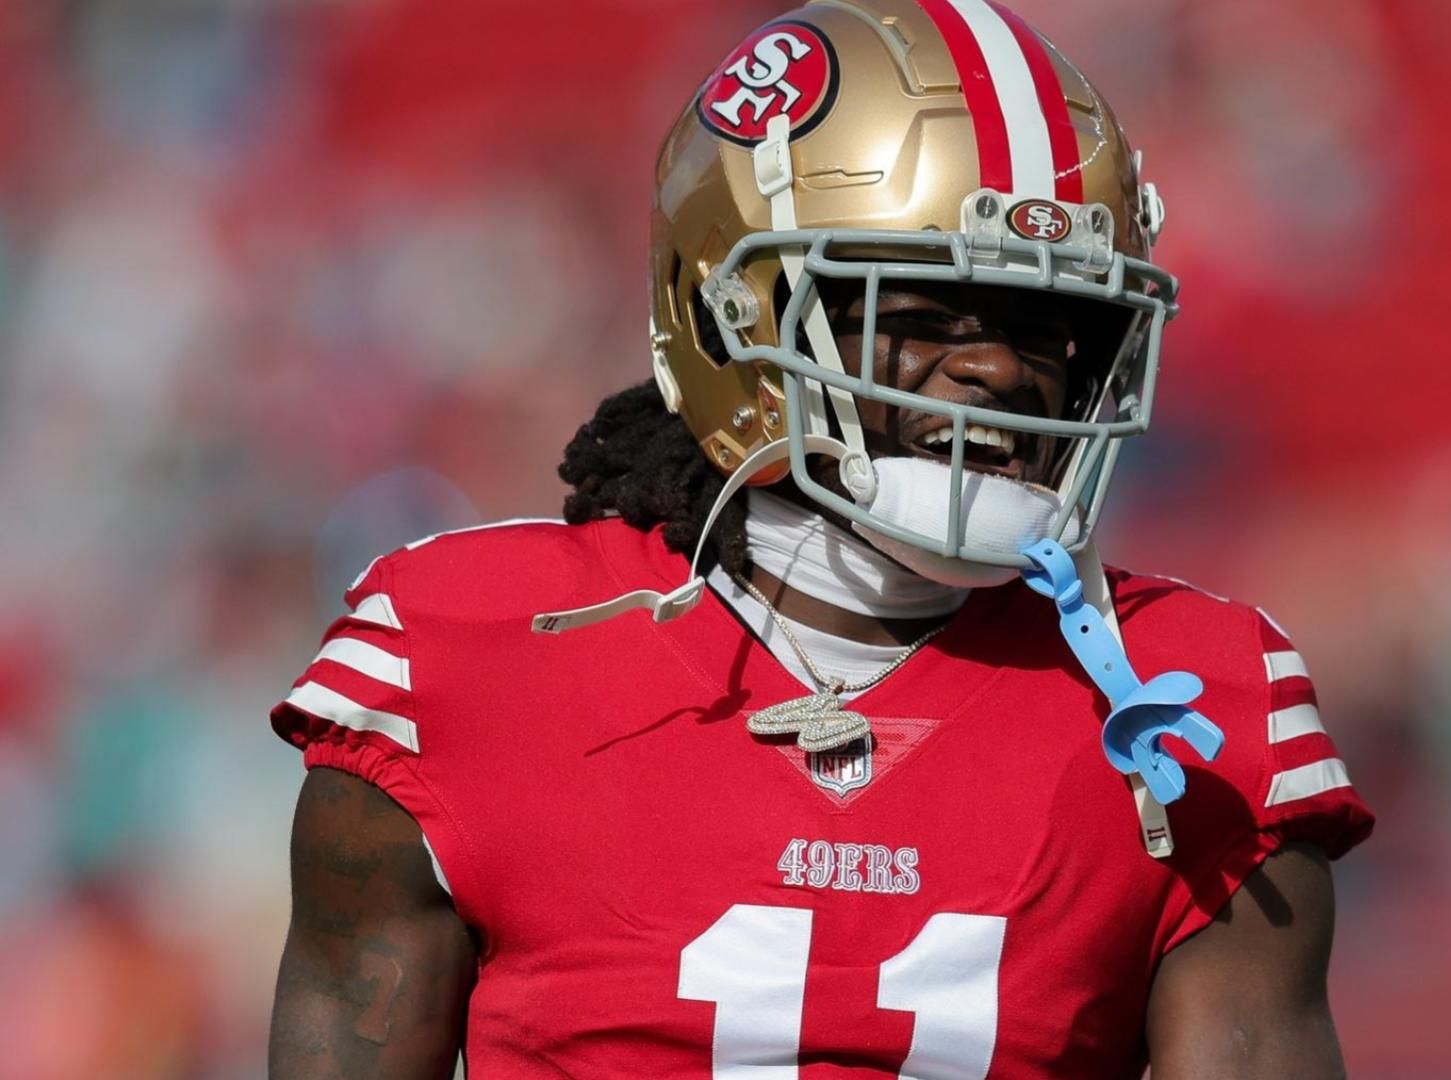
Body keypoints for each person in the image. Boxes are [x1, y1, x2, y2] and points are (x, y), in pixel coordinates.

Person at [266, 1, 1374, 1076]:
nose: (998, 369)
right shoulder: (463, 651)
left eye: (1052, 325)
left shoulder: (1194, 700)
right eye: (928, 311)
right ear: (730, 315)